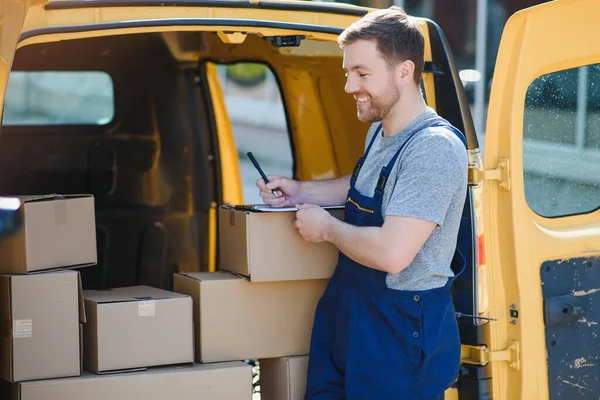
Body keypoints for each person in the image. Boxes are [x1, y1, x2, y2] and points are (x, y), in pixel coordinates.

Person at [256, 6, 468, 399]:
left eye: (362, 74)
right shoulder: (380, 131)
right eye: (348, 73)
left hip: (399, 330)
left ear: (404, 71)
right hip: (351, 310)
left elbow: (392, 254)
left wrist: (327, 229)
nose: (350, 87)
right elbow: (362, 187)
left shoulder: (433, 148)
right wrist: (300, 191)